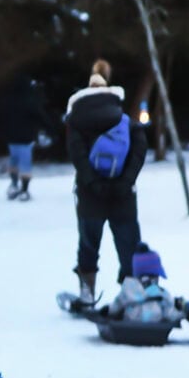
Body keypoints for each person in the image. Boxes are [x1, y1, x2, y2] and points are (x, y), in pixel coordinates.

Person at [65, 58, 147, 304]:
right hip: (123, 193)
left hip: (91, 194)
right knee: (128, 242)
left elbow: (76, 154)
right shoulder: (122, 118)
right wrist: (126, 180)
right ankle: (133, 291)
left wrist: (91, 182)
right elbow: (140, 146)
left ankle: (87, 292)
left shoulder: (76, 120)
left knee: (89, 243)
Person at [0, 74, 52, 201]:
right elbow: (40, 116)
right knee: (25, 163)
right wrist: (50, 129)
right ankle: (24, 189)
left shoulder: (7, 100)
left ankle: (14, 184)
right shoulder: (30, 100)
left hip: (11, 137)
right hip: (26, 138)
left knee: (14, 160)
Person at [99, 243, 183, 323]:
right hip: (155, 325)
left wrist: (108, 311)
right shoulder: (161, 293)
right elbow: (169, 314)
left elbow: (117, 305)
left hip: (130, 324)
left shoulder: (128, 289)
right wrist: (182, 311)